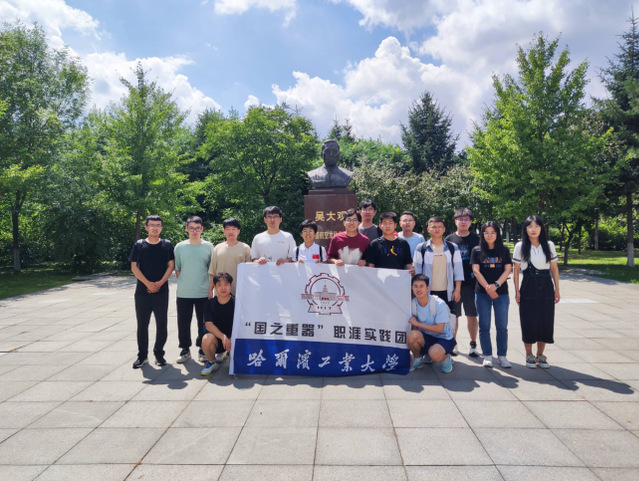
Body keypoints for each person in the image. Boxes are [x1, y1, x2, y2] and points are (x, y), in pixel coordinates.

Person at [513, 216, 560, 369]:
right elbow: (516, 270)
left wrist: (557, 289)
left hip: (546, 285)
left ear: (541, 228)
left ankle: (541, 354)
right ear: (525, 229)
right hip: (528, 285)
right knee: (529, 320)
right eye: (530, 226)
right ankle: (529, 354)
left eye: (536, 226)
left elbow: (554, 268)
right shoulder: (520, 246)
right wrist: (517, 291)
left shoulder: (549, 245)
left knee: (545, 320)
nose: (533, 229)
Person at [128, 215, 174, 369]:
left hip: (162, 291)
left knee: (162, 323)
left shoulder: (167, 245)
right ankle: (142, 356)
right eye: (152, 225)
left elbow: (171, 265)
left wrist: (160, 283)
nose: (155, 228)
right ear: (146, 227)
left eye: (158, 225)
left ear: (161, 227)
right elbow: (134, 267)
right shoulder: (139, 245)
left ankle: (159, 354)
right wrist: (148, 283)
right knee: (142, 324)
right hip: (142, 291)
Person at [470, 221, 512, 368]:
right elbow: (476, 271)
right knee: (484, 325)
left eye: (493, 232)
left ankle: (502, 356)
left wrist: (496, 285)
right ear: (482, 234)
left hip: (502, 293)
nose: (489, 235)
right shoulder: (477, 250)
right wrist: (488, 287)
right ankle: (487, 355)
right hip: (482, 293)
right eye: (486, 232)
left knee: (502, 326)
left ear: (497, 234)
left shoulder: (504, 250)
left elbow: (507, 270)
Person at [174, 216, 213, 364]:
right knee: (183, 322)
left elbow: (211, 270)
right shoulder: (180, 247)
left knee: (203, 323)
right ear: (186, 229)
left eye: (197, 228)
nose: (194, 231)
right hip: (184, 292)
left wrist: (210, 289)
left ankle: (202, 349)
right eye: (191, 228)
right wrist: (186, 283)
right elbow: (178, 269)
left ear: (202, 229)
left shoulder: (208, 246)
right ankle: (185, 349)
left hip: (203, 291)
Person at [446, 208, 480, 357]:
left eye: (467, 219)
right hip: (454, 284)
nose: (463, 222)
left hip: (472, 284)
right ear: (455, 221)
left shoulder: (477, 239)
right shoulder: (449, 239)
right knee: (455, 315)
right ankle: (453, 343)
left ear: (471, 222)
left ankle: (473, 344)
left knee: (472, 315)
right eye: (461, 219)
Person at [407, 274, 455, 373]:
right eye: (415, 286)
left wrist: (418, 324)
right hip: (426, 337)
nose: (418, 289)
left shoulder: (438, 303)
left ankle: (446, 358)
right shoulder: (413, 303)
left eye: (421, 286)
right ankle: (418, 359)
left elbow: (439, 329)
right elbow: (414, 328)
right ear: (412, 288)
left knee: (434, 354)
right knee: (411, 335)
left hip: (443, 338)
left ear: (427, 288)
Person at [413, 216, 464, 309]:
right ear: (428, 229)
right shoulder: (421, 248)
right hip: (427, 291)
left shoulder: (453, 247)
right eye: (434, 227)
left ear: (444, 229)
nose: (437, 229)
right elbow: (417, 272)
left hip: (447, 292)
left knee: (447, 317)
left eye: (440, 227)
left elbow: (458, 270)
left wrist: (457, 290)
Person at [200, 273, 235, 375]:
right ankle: (212, 362)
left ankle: (232, 358)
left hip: (233, 340)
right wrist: (223, 337)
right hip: (217, 339)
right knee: (206, 339)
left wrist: (231, 338)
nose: (223, 288)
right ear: (214, 287)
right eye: (219, 285)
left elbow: (242, 324)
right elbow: (209, 325)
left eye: (226, 284)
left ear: (231, 285)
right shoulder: (209, 304)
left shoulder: (236, 303)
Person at [208, 218, 251, 297]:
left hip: (239, 291)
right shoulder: (217, 248)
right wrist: (210, 290)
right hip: (220, 293)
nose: (230, 232)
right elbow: (212, 273)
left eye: (233, 229)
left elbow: (249, 272)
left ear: (238, 231)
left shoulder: (245, 248)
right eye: (228, 229)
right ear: (224, 231)